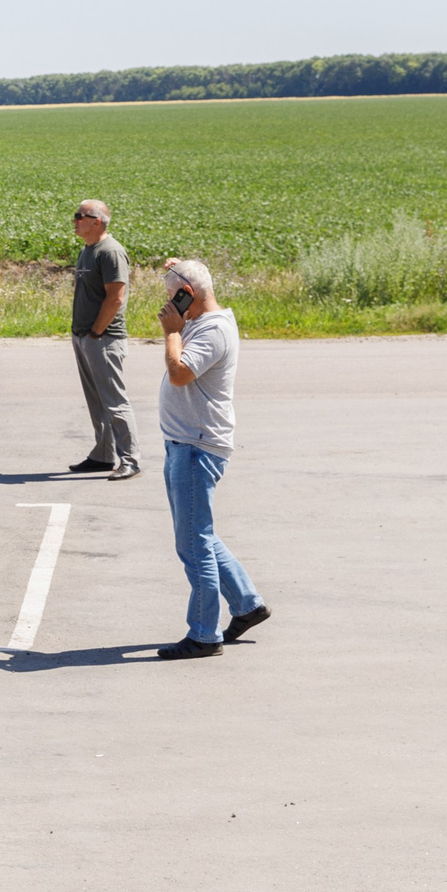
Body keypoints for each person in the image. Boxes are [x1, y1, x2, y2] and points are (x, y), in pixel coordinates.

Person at [154, 259, 271, 660]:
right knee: (198, 534)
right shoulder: (203, 320)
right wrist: (182, 272)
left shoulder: (213, 330)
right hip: (185, 442)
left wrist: (172, 331)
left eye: (174, 295)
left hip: (196, 447)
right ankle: (248, 604)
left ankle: (204, 634)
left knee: (194, 544)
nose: (169, 302)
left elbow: (180, 373)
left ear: (190, 293)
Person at [68, 200, 141, 480]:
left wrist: (97, 331)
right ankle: (103, 454)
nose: (74, 221)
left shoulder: (110, 252)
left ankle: (130, 458)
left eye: (79, 216)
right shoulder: (87, 250)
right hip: (85, 336)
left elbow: (116, 297)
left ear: (96, 221)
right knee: (96, 400)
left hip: (103, 338)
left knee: (114, 400)